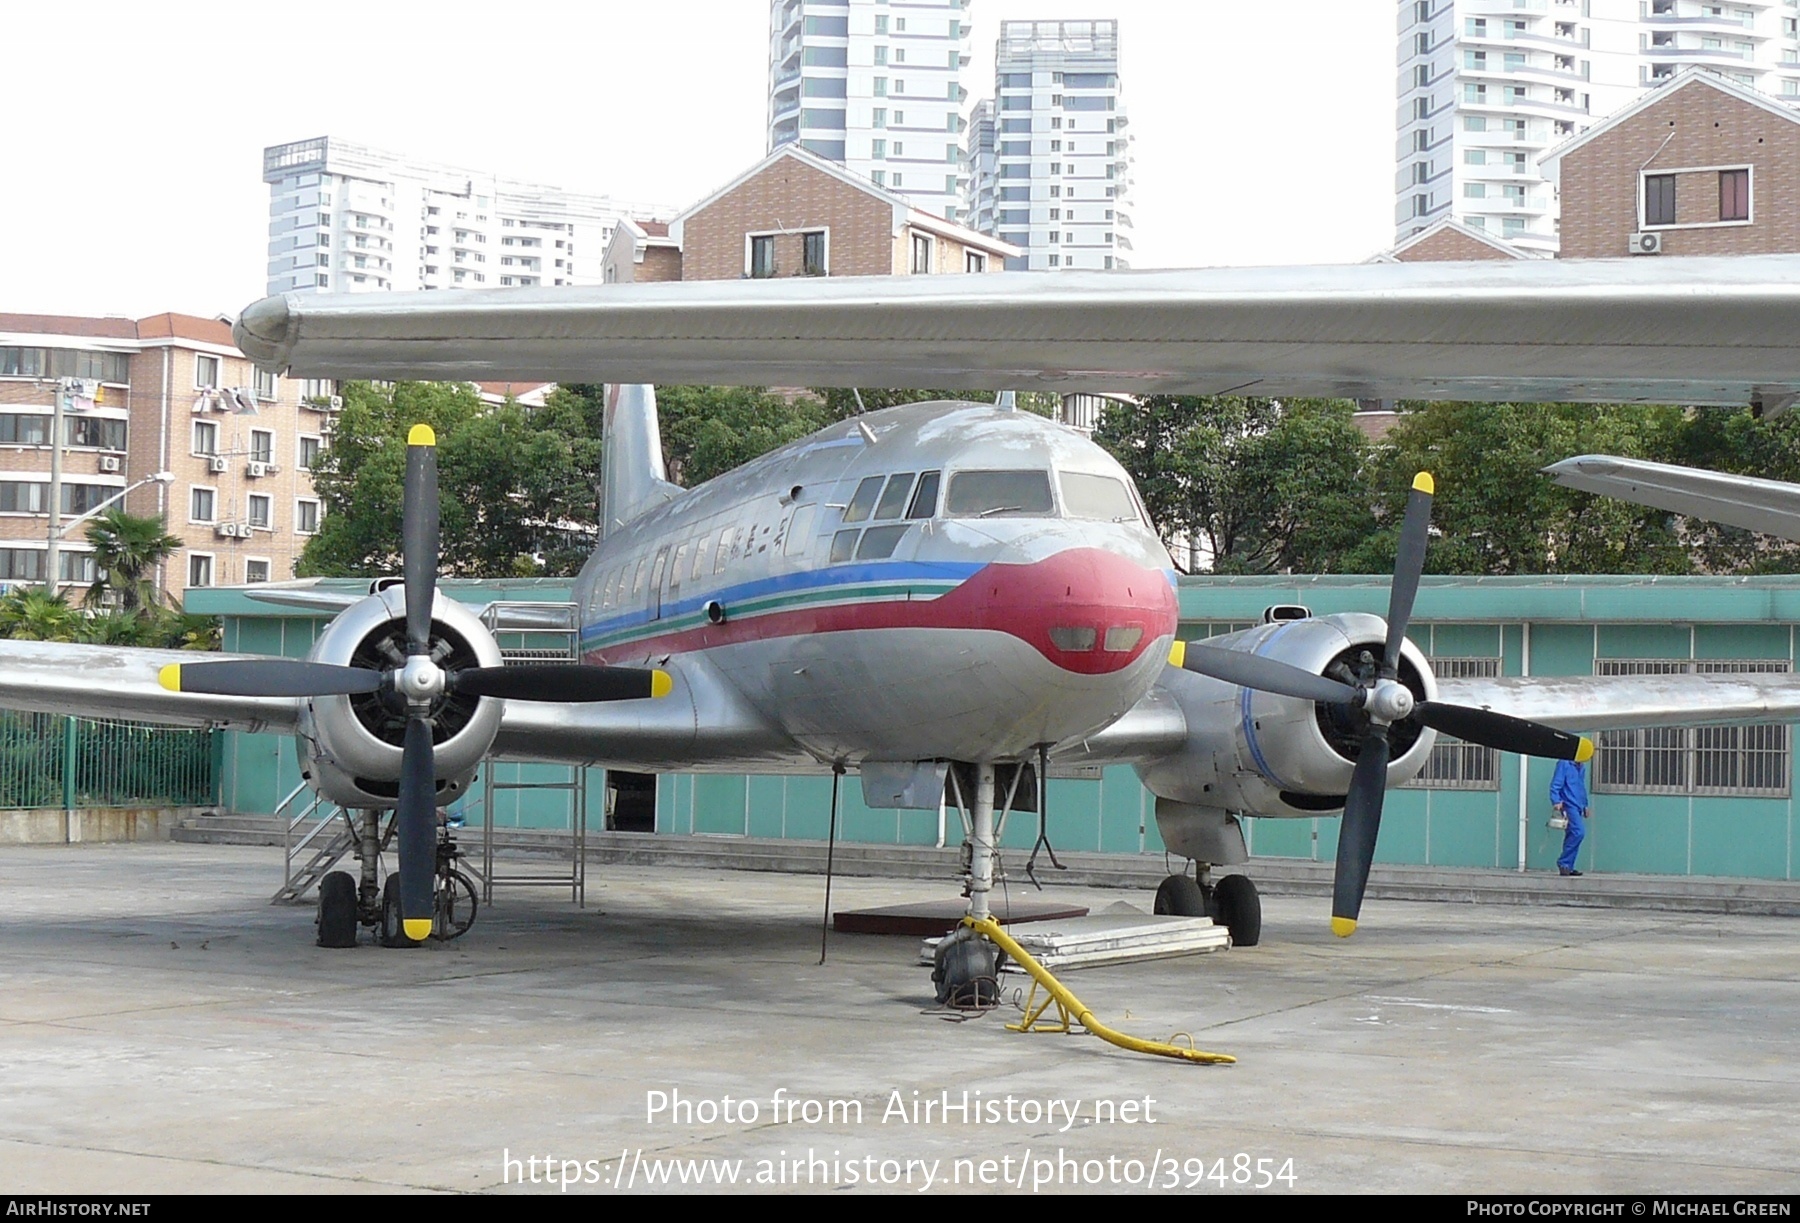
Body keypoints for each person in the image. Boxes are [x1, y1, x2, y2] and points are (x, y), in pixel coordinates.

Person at [1549, 757, 1590, 876]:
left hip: (1577, 805)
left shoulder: (1581, 767)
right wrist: (1556, 800)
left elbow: (1581, 787)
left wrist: (1585, 805)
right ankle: (1564, 862)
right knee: (1579, 832)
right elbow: (1556, 783)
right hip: (1568, 805)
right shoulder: (1564, 763)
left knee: (1572, 834)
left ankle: (1568, 866)